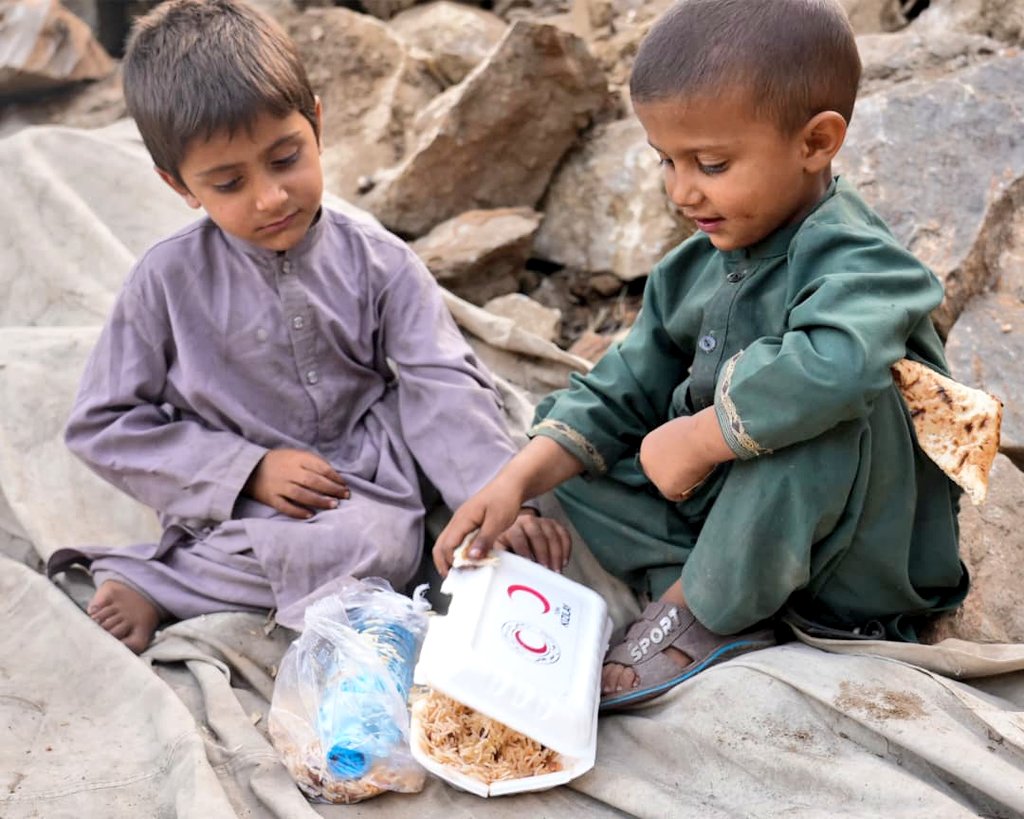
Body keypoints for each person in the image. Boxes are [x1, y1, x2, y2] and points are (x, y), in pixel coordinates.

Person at [434, 0, 968, 711]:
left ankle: (708, 610)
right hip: (737, 511)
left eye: (711, 164)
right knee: (579, 465)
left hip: (858, 550)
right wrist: (517, 481)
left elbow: (834, 369)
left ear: (816, 142)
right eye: (666, 161)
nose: (683, 190)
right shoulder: (694, 267)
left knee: (818, 418)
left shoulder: (864, 261)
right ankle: (717, 574)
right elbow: (624, 383)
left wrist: (698, 435)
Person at [47, 0, 570, 654]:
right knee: (360, 549)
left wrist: (498, 496)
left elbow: (440, 382)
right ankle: (163, 581)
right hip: (236, 485)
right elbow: (104, 422)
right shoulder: (166, 280)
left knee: (391, 538)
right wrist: (248, 469)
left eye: (285, 157)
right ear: (179, 184)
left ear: (316, 124)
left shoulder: (380, 262)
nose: (270, 197)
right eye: (230, 182)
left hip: (360, 469)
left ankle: (234, 576)